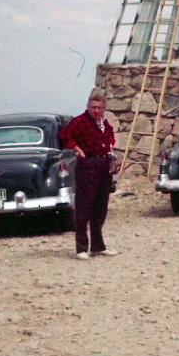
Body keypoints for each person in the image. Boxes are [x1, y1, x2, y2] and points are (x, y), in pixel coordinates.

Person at [58, 89, 119, 260]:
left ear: (103, 108)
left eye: (99, 108)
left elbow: (109, 142)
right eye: (93, 107)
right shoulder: (80, 122)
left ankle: (98, 246)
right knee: (84, 207)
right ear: (88, 106)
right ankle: (81, 248)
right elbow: (63, 135)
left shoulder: (104, 124)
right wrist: (77, 149)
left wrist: (112, 159)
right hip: (87, 165)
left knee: (100, 208)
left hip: (103, 166)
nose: (96, 111)